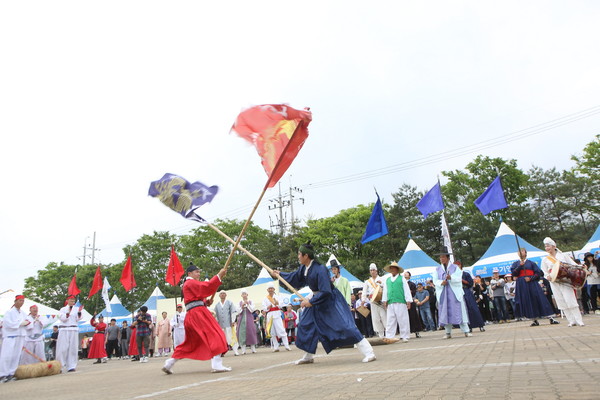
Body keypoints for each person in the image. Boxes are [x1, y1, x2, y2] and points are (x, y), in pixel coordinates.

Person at [274, 242, 376, 365]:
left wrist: (310, 301)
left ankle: (369, 352)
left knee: (345, 326)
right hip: (316, 299)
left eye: (299, 254)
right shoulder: (304, 268)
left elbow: (326, 291)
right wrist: (280, 275)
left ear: (306, 256)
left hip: (329, 300)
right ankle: (308, 355)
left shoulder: (320, 269)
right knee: (306, 325)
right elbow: (294, 277)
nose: (298, 256)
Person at [162, 264, 231, 374]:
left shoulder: (188, 284)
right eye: (196, 272)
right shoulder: (190, 282)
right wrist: (218, 276)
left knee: (190, 343)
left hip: (193, 314)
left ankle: (169, 363)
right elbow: (206, 287)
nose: (199, 274)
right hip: (198, 314)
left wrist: (205, 302)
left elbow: (196, 297)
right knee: (216, 334)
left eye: (199, 272)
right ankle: (217, 363)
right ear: (189, 273)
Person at [541, 237, 584, 327]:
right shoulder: (545, 259)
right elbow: (544, 271)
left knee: (570, 299)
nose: (547, 248)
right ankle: (571, 320)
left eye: (548, 246)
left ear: (553, 246)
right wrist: (547, 276)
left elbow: (573, 264)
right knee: (561, 301)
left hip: (565, 280)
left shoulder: (563, 255)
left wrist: (581, 267)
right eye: (545, 246)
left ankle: (579, 320)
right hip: (554, 282)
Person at [433, 247, 471, 339]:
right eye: (440, 257)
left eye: (443, 257)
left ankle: (466, 331)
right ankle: (447, 332)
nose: (441, 259)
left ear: (448, 258)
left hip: (454, 293)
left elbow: (459, 278)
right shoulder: (437, 269)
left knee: (459, 311)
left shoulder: (455, 267)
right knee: (445, 312)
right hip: (443, 293)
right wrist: (441, 282)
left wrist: (451, 278)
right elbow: (435, 280)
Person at [0, 295, 29, 383]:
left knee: (16, 355)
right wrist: (20, 323)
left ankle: (11, 373)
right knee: (7, 355)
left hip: (20, 335)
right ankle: (2, 374)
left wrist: (26, 323)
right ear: (15, 301)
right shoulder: (9, 312)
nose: (21, 302)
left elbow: (27, 321)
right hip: (10, 336)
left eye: (23, 301)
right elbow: (8, 323)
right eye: (20, 301)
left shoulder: (23, 313)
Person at [382, 262, 412, 343]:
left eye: (393, 268)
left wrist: (408, 300)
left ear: (397, 269)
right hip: (391, 301)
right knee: (390, 320)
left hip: (400, 301)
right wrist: (384, 300)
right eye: (391, 268)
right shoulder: (387, 280)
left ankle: (404, 336)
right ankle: (389, 336)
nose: (392, 270)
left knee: (403, 319)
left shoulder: (402, 278)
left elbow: (406, 290)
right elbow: (385, 291)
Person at [56, 295, 83, 372]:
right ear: (67, 300)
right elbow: (62, 318)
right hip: (64, 329)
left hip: (73, 328)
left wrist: (79, 312)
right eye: (71, 300)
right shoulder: (63, 309)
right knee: (62, 348)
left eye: (73, 301)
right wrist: (67, 314)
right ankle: (60, 366)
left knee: (73, 348)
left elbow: (79, 318)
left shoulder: (76, 309)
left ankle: (71, 366)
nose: (72, 302)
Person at [262, 283, 291, 352]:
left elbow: (281, 305)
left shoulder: (278, 296)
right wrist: (268, 307)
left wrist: (277, 303)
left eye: (272, 288)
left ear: (274, 289)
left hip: (277, 315)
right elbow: (264, 308)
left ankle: (286, 345)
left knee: (281, 330)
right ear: (267, 290)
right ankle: (276, 347)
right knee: (272, 332)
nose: (270, 290)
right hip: (270, 316)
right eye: (269, 288)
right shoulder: (265, 298)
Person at [362, 263, 387, 338]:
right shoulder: (367, 281)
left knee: (384, 317)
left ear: (376, 271)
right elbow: (364, 291)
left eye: (374, 270)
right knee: (376, 319)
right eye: (371, 270)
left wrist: (381, 284)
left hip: (381, 301)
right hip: (373, 302)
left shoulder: (382, 279)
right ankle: (381, 335)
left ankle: (388, 334)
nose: (372, 271)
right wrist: (363, 300)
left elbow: (386, 288)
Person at [459, 265, 485, 332]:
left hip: (467, 291)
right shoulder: (454, 275)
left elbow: (470, 283)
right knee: (465, 310)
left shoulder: (466, 274)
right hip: (459, 293)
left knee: (473, 308)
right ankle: (469, 326)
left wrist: (463, 281)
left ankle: (480, 325)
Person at [214, 290, 238, 356]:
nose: (222, 295)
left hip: (228, 324)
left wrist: (233, 321)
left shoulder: (229, 303)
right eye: (221, 294)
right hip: (220, 325)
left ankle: (236, 351)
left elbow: (233, 312)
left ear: (226, 295)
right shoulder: (217, 305)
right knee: (222, 339)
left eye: (223, 293)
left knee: (230, 337)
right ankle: (222, 352)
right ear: (219, 295)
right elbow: (215, 314)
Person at [235, 289, 259, 355]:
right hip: (241, 319)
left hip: (249, 318)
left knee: (251, 332)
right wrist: (242, 306)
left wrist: (248, 304)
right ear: (241, 295)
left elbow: (252, 310)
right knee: (242, 333)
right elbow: (238, 311)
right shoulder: (239, 302)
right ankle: (243, 350)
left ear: (247, 294)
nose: (244, 295)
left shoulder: (251, 301)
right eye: (243, 294)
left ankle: (253, 349)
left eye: (245, 294)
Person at [403, 271, 424, 338]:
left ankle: (416, 332)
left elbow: (414, 292)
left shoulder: (412, 284)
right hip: (403, 303)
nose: (405, 274)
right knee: (404, 318)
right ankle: (404, 333)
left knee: (413, 317)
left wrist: (409, 293)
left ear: (409, 276)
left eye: (407, 273)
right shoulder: (401, 283)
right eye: (404, 273)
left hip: (411, 302)